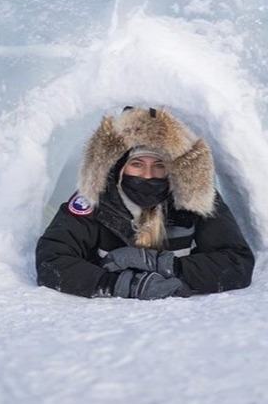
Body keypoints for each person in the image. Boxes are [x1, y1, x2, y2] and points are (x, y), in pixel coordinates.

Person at [36, 106, 255, 299]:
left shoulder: (196, 199)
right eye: (137, 164)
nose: (148, 175)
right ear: (119, 167)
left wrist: (166, 265)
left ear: (172, 168)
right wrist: (118, 285)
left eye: (159, 164)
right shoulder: (93, 200)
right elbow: (52, 260)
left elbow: (237, 262)